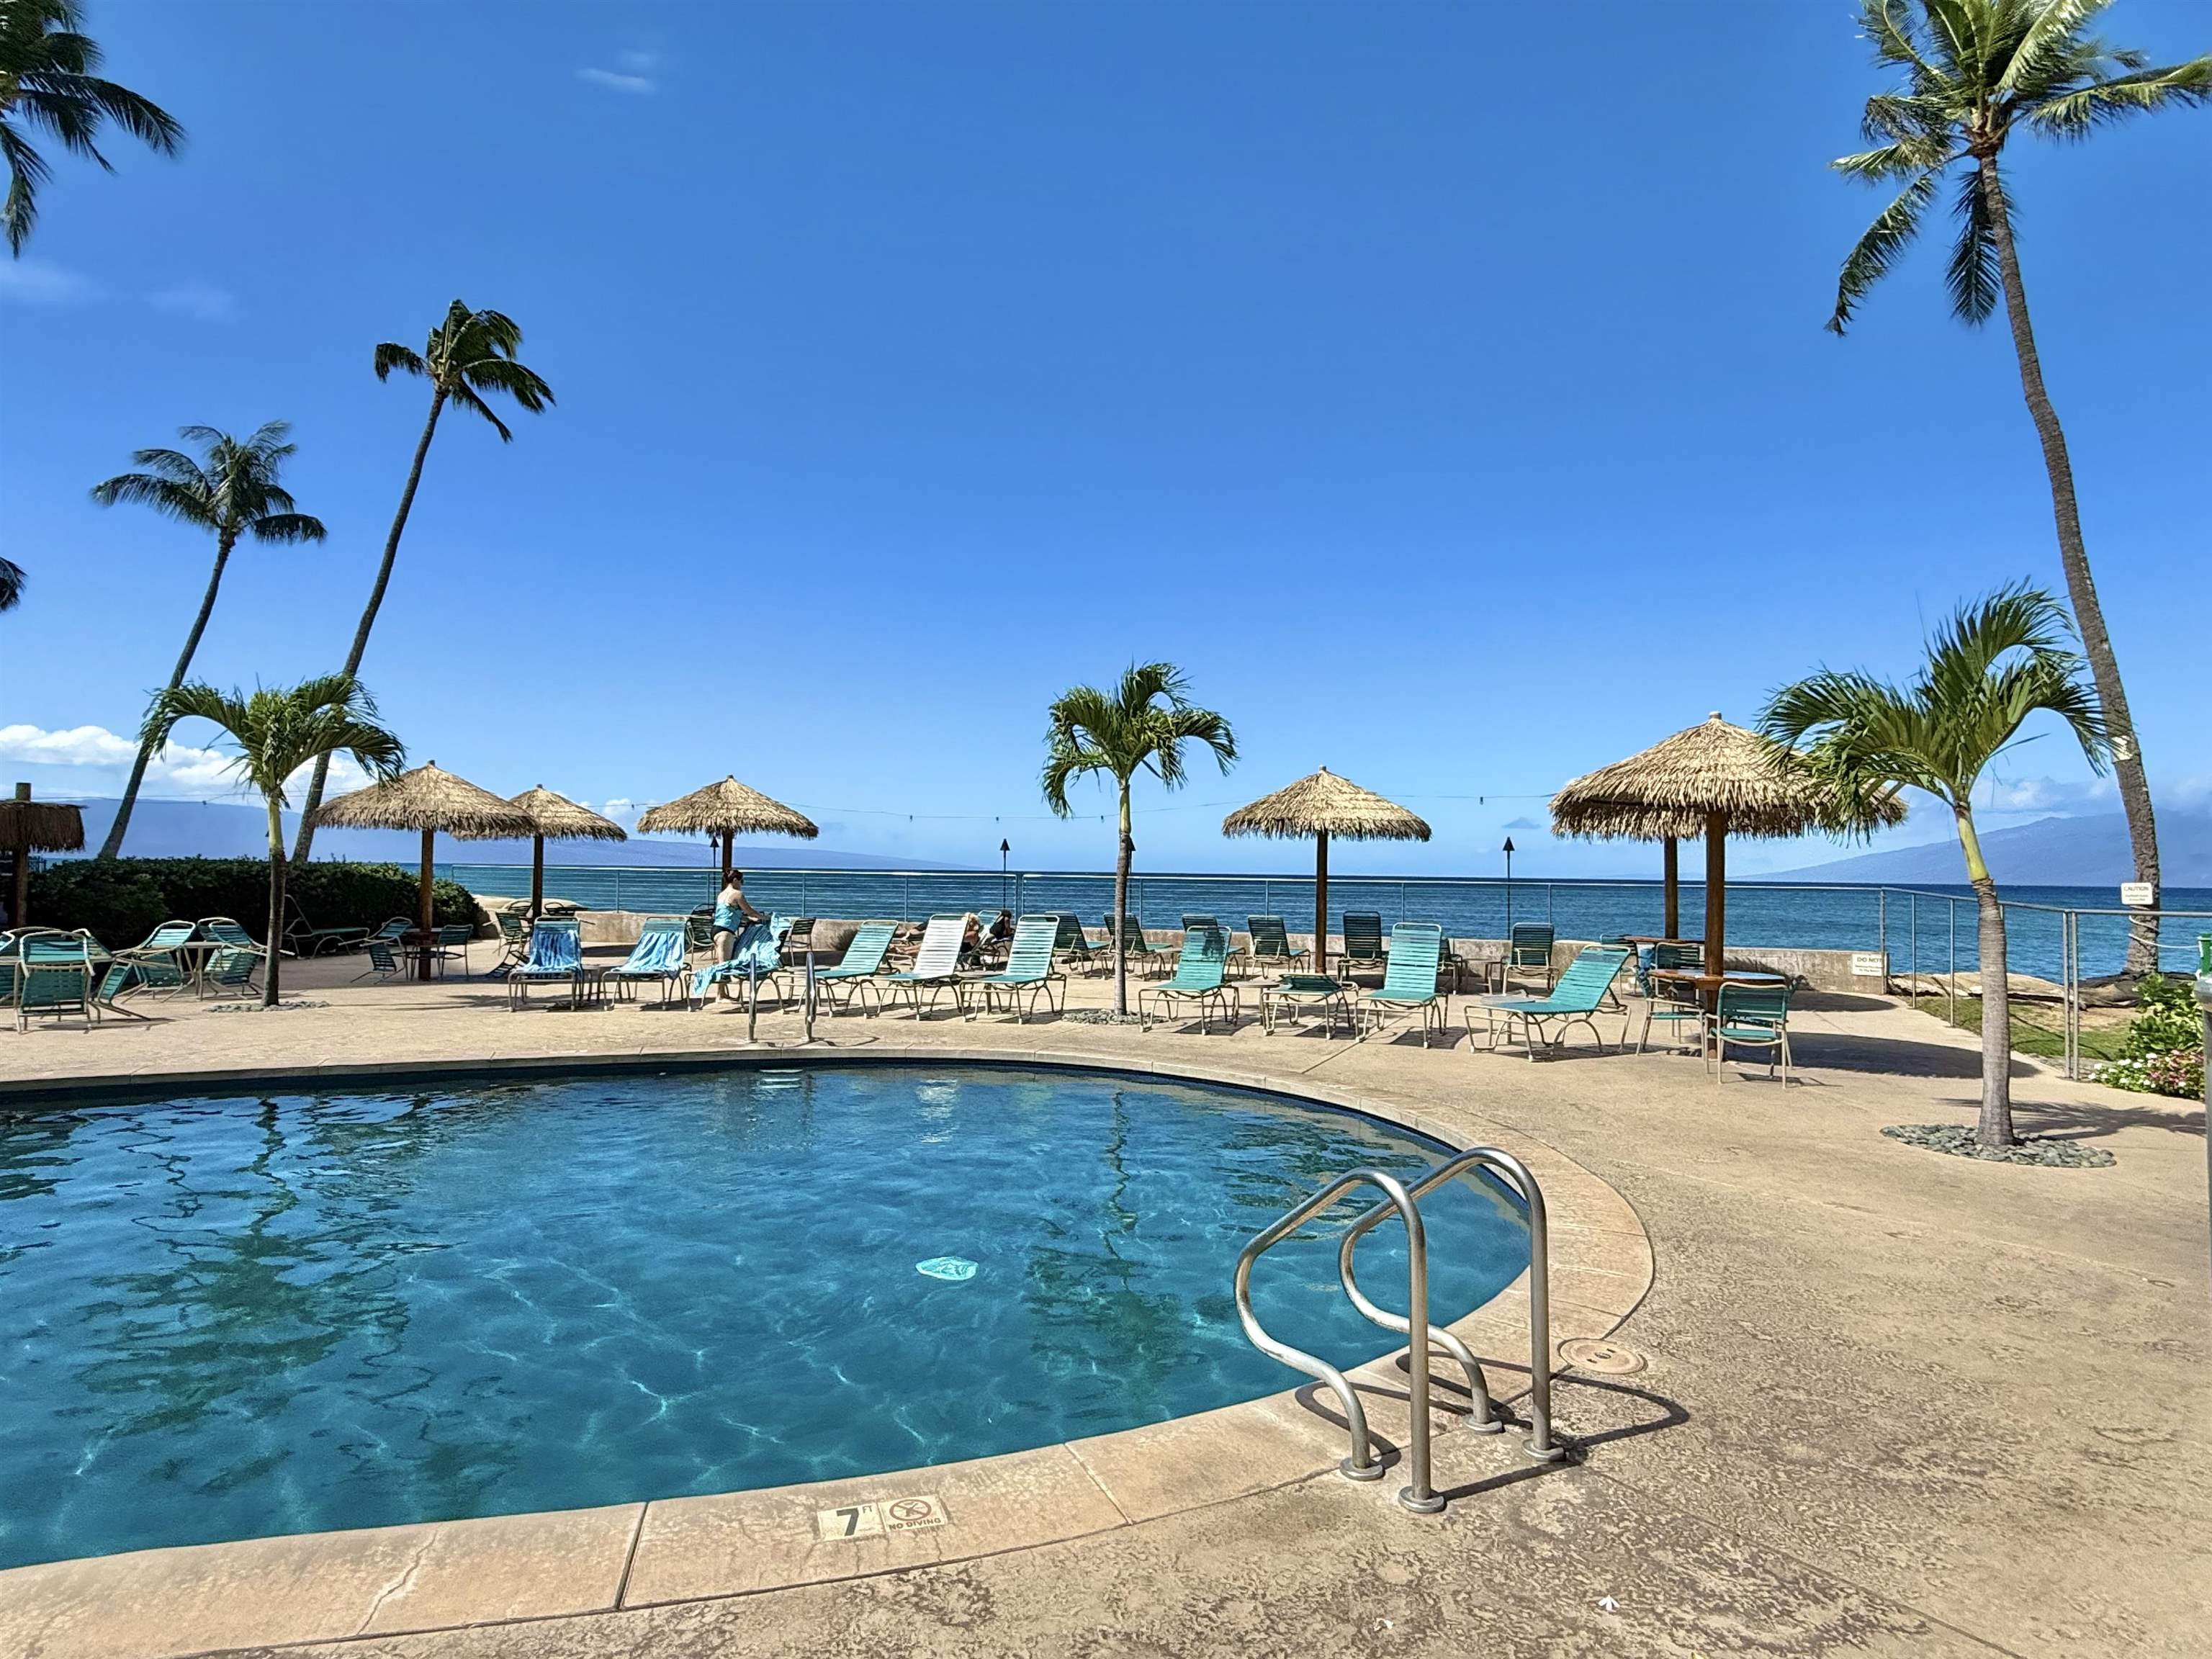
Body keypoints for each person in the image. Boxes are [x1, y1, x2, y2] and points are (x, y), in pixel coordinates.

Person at [711, 870, 766, 1000]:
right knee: (724, 965)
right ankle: (720, 996)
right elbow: (749, 911)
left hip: (716, 929)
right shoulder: (737, 894)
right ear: (736, 880)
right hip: (725, 933)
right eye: (742, 881)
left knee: (723, 962)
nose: (742, 884)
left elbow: (731, 914)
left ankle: (722, 993)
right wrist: (765, 917)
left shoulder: (722, 894)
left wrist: (749, 919)